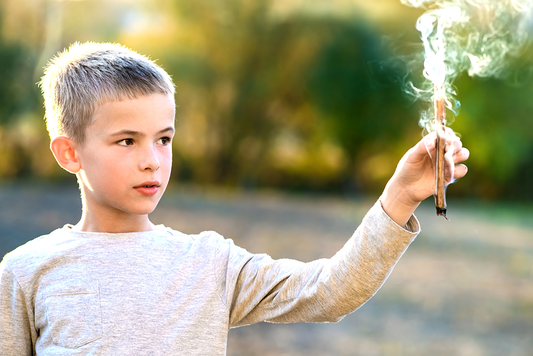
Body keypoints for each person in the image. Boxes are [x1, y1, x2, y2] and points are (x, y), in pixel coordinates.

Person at [0, 42, 469, 355]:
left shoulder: (209, 262)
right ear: (69, 152)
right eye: (127, 141)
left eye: (163, 139)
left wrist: (401, 194)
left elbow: (330, 292)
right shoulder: (26, 271)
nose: (152, 161)